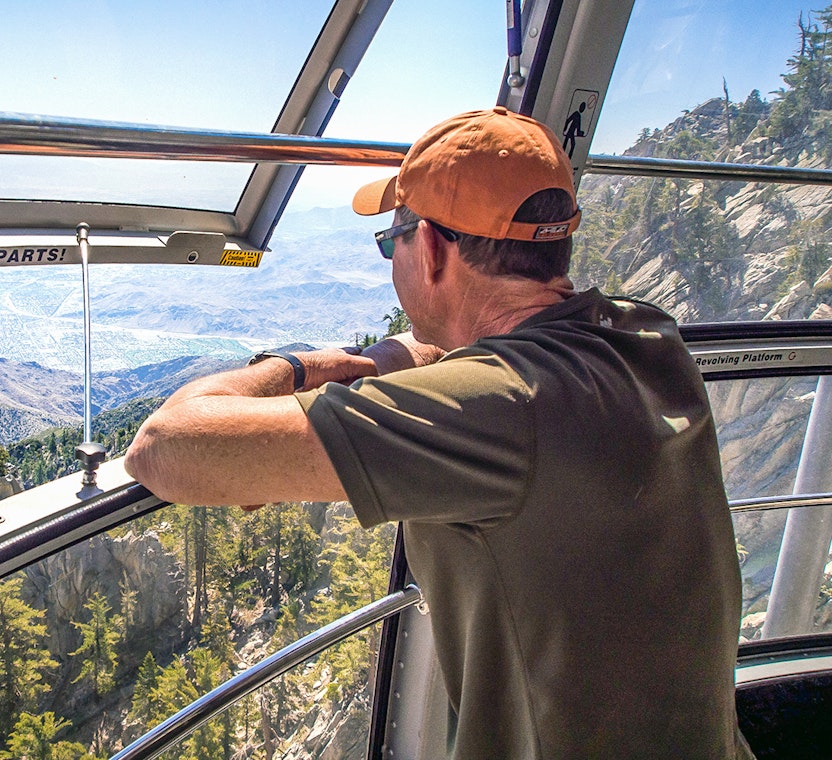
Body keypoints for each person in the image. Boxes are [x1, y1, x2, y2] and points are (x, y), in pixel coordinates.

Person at [123, 107, 752, 758]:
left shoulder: (503, 410)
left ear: (428, 249)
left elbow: (168, 447)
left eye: (389, 240)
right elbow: (465, 363)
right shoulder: (644, 334)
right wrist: (385, 362)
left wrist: (295, 367)